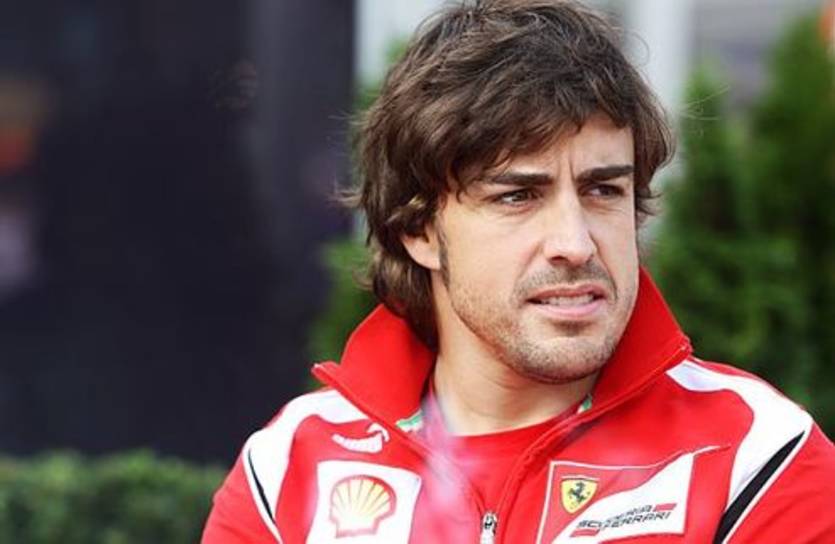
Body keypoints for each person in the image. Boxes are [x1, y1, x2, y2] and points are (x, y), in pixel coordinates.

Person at [202, 1, 835, 542]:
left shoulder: (754, 458)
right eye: (518, 196)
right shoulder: (288, 470)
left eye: (603, 191)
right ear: (419, 230)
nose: (575, 244)